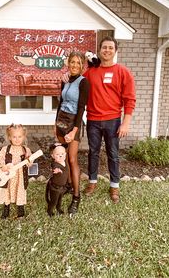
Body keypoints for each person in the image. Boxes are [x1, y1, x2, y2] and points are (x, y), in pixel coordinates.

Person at [83, 36, 136, 203]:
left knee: (113, 154)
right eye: (104, 47)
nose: (107, 50)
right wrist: (65, 77)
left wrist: (125, 122)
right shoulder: (91, 72)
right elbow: (76, 82)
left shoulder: (123, 72)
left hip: (113, 120)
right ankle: (92, 182)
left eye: (110, 48)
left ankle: (114, 185)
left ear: (115, 51)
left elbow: (129, 99)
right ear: (99, 50)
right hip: (93, 120)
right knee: (93, 153)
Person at [55, 51, 90, 215]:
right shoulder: (65, 80)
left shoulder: (84, 83)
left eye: (78, 62)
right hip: (61, 120)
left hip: (73, 123)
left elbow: (81, 108)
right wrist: (55, 124)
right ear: (68, 63)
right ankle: (68, 185)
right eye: (72, 62)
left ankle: (76, 196)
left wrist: (74, 131)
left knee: (72, 158)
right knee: (62, 156)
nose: (75, 65)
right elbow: (61, 102)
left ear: (82, 65)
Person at [0, 123, 32, 219]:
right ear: (9, 137)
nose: (17, 139)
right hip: (8, 176)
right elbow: (0, 158)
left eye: (19, 137)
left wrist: (29, 161)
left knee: (20, 191)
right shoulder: (6, 149)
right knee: (7, 191)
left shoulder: (26, 150)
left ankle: (20, 211)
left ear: (24, 137)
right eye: (14, 137)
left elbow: (29, 162)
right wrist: (3, 166)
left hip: (20, 176)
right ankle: (6, 210)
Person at [45, 143, 68, 217]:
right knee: (54, 201)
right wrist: (57, 170)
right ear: (53, 156)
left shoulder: (65, 162)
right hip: (55, 187)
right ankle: (50, 211)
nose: (60, 156)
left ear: (65, 154)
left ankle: (59, 208)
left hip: (62, 186)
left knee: (60, 199)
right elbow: (54, 168)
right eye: (57, 154)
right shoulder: (55, 164)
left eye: (62, 154)